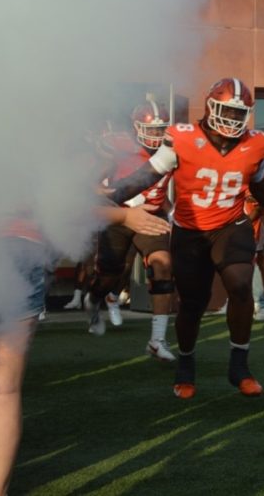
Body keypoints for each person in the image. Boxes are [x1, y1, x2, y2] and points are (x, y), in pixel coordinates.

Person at [107, 78, 264, 399]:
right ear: (211, 107)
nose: (233, 120)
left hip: (230, 225)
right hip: (190, 229)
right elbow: (148, 174)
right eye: (227, 111)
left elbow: (260, 185)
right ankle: (185, 363)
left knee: (240, 284)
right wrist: (114, 196)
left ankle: (239, 365)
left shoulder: (258, 143)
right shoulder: (182, 138)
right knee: (193, 303)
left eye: (240, 114)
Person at [86, 101, 177, 361]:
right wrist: (120, 199)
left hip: (152, 216)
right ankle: (94, 301)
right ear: (136, 128)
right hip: (121, 216)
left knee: (162, 264)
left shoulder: (172, 151)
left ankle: (157, 340)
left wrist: (172, 212)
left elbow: (163, 191)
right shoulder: (120, 149)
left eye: (160, 129)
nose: (155, 134)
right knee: (111, 275)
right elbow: (88, 186)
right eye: (150, 129)